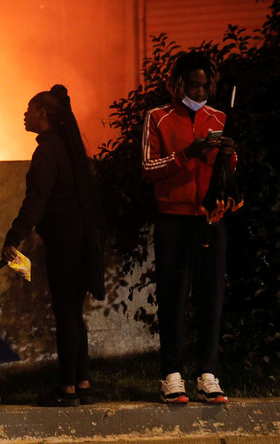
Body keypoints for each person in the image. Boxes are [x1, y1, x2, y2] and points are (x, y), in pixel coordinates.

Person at [142, 51, 236, 405]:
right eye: (193, 84)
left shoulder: (220, 117)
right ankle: (172, 373)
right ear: (178, 83)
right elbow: (149, 168)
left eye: (205, 84)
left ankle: (208, 373)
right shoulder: (158, 117)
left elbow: (229, 172)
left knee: (211, 295)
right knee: (173, 295)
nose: (199, 90)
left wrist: (230, 154)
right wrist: (186, 153)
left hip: (211, 218)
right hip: (173, 218)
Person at [2, 85, 104, 407]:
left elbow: (36, 201)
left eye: (29, 109)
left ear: (43, 114)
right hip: (82, 240)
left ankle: (68, 389)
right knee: (74, 314)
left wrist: (13, 238)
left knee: (66, 315)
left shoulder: (47, 152)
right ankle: (82, 382)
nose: (24, 114)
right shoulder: (68, 147)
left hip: (65, 245)